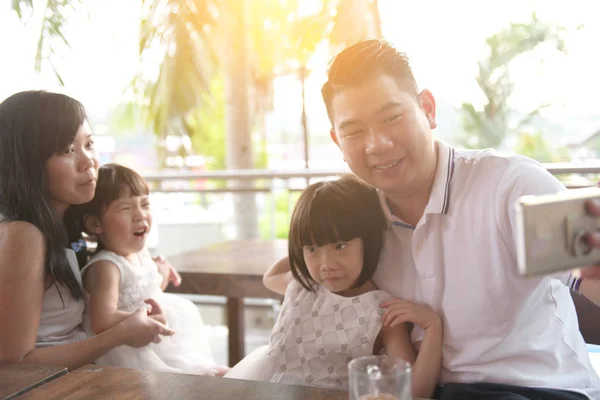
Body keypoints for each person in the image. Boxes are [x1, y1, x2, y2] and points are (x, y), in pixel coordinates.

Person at [271, 40, 600, 399]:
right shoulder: (355, 218)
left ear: (427, 109)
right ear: (337, 140)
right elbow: (300, 271)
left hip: (536, 388)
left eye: (392, 117)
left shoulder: (511, 187)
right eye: (354, 131)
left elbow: (591, 275)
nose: (377, 144)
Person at [0, 90, 174, 370]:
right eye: (68, 150)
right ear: (28, 163)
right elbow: (13, 362)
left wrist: (149, 271)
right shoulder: (23, 233)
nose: (89, 161)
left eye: (89, 144)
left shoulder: (59, 225)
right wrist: (121, 334)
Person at [225, 176, 442, 398]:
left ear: (368, 241)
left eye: (340, 245)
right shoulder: (303, 285)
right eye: (313, 249)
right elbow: (270, 276)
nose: (327, 265)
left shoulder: (381, 311)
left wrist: (433, 326)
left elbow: (413, 390)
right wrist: (301, 246)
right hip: (264, 388)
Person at [67, 163, 228, 376]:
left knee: (217, 373)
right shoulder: (106, 266)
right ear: (96, 224)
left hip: (160, 347)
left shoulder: (138, 254)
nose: (140, 215)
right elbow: (101, 320)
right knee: (212, 377)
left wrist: (160, 273)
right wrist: (146, 319)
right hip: (134, 356)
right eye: (126, 208)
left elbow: (141, 292)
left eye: (144, 205)